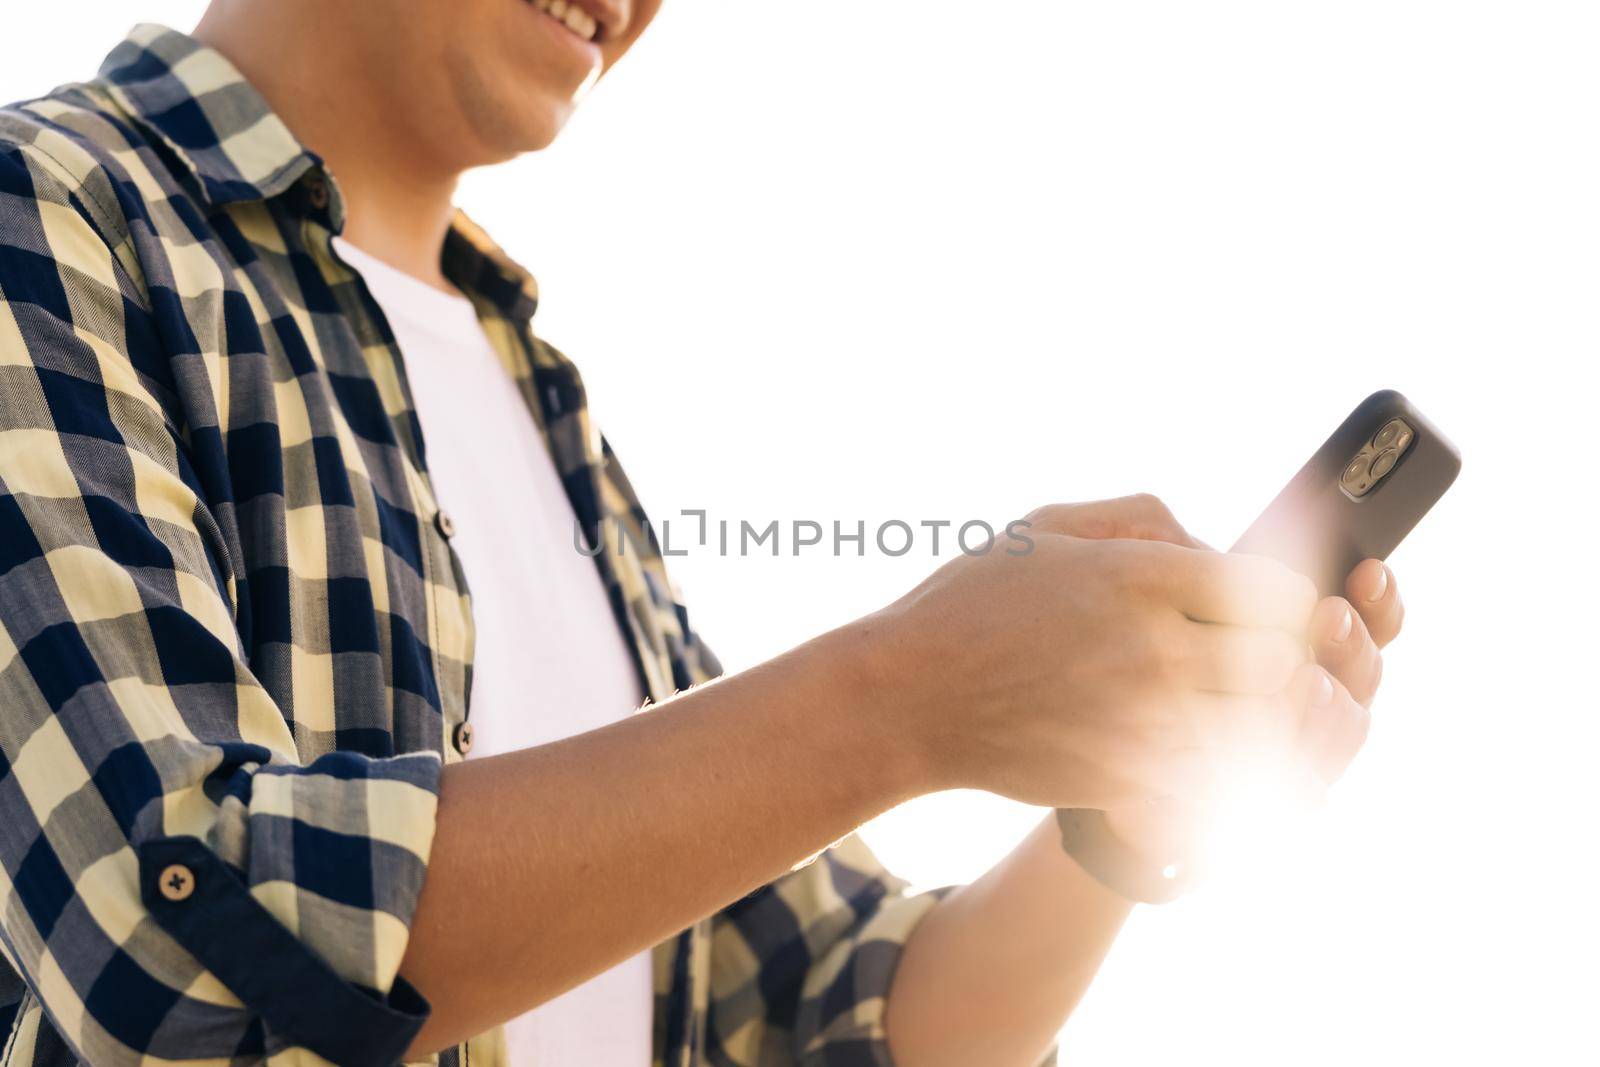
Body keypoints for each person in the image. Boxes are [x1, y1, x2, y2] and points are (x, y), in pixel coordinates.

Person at [0, 4, 1403, 1065]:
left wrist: (1119, 826)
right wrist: (903, 696)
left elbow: (821, 1005)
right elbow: (164, 933)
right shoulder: (51, 211)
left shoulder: (534, 398)